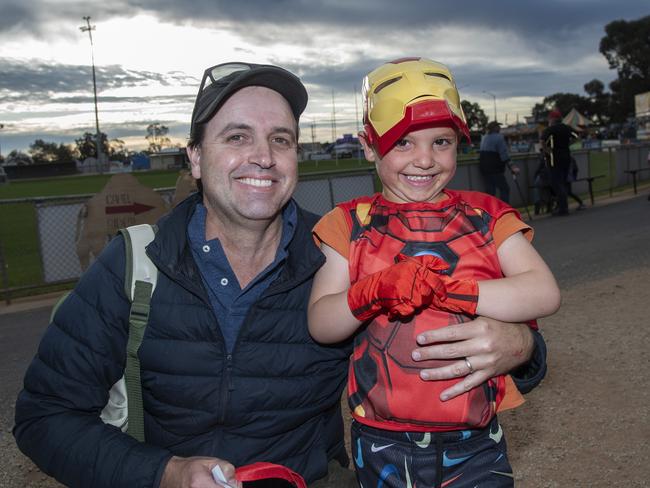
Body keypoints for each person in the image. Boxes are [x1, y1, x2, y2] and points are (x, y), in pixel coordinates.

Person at [14, 61, 548, 488]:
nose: (263, 157)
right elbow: (44, 418)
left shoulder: (343, 251)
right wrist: (165, 473)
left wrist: (521, 347)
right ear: (195, 158)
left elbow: (464, 321)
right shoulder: (135, 263)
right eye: (237, 137)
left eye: (281, 139)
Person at [308, 58, 560, 488]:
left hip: (476, 437)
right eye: (402, 143)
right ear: (369, 146)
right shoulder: (348, 224)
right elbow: (321, 321)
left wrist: (452, 291)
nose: (424, 160)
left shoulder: (486, 215)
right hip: (380, 437)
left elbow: (543, 292)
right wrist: (372, 291)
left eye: (441, 142)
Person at [540, 109, 579, 216]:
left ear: (552, 119)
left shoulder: (550, 129)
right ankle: (563, 206)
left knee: (556, 183)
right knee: (563, 182)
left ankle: (563, 208)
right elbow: (576, 137)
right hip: (566, 157)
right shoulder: (567, 128)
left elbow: (542, 141)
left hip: (554, 159)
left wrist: (547, 150)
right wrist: (568, 144)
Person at [479, 120, 519, 203]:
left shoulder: (485, 137)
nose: (500, 128)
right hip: (495, 169)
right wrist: (512, 167)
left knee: (490, 192)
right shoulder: (499, 137)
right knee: (504, 189)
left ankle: (490, 213)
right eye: (498, 126)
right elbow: (504, 155)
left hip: (484, 168)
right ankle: (503, 211)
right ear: (495, 128)